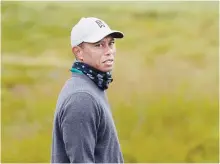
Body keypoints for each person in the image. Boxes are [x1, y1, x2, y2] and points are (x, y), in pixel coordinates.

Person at [51, 17, 124, 163]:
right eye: (99, 45)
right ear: (79, 52)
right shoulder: (82, 99)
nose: (109, 51)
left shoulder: (93, 85)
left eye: (111, 43)